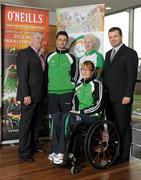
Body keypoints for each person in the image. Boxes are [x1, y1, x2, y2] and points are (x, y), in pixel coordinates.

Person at [48, 61, 103, 165]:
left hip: (92, 116)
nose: (84, 71)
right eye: (82, 69)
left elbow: (98, 105)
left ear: (92, 72)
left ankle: (61, 152)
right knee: (57, 115)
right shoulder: (78, 85)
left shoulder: (97, 84)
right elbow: (74, 102)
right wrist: (74, 110)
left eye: (87, 69)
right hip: (79, 114)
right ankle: (56, 151)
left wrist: (80, 111)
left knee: (68, 117)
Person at [103, 27, 138, 164]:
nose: (112, 39)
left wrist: (128, 95)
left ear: (121, 36)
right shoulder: (107, 54)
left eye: (115, 36)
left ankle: (123, 155)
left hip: (122, 98)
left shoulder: (130, 53)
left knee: (123, 126)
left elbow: (131, 76)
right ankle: (114, 151)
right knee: (112, 126)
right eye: (110, 37)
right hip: (109, 98)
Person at [16, 32, 47, 163]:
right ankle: (24, 152)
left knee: (36, 124)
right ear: (31, 40)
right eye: (37, 38)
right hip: (29, 96)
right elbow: (22, 76)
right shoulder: (24, 53)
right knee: (26, 125)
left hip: (39, 96)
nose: (40, 40)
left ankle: (33, 146)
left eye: (41, 38)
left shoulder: (41, 55)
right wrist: (26, 94)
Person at [46, 31, 78, 114]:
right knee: (54, 119)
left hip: (67, 92)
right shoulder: (49, 56)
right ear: (56, 41)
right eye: (60, 40)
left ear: (67, 42)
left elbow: (76, 74)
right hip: (52, 92)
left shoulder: (72, 57)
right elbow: (45, 73)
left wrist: (71, 84)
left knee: (67, 118)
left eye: (64, 40)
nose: (62, 42)